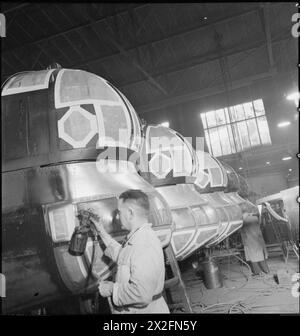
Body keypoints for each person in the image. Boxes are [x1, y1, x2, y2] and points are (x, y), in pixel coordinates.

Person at [90, 189, 170, 314]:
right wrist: (100, 230)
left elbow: (141, 294)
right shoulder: (138, 238)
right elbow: (123, 257)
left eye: (119, 212)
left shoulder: (144, 245)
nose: (117, 216)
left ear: (130, 213)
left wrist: (112, 289)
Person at [240, 203, 270, 276]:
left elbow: (241, 229)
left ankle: (258, 272)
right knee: (260, 256)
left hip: (250, 240)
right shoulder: (254, 218)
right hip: (258, 239)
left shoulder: (243, 220)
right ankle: (266, 270)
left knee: (253, 257)